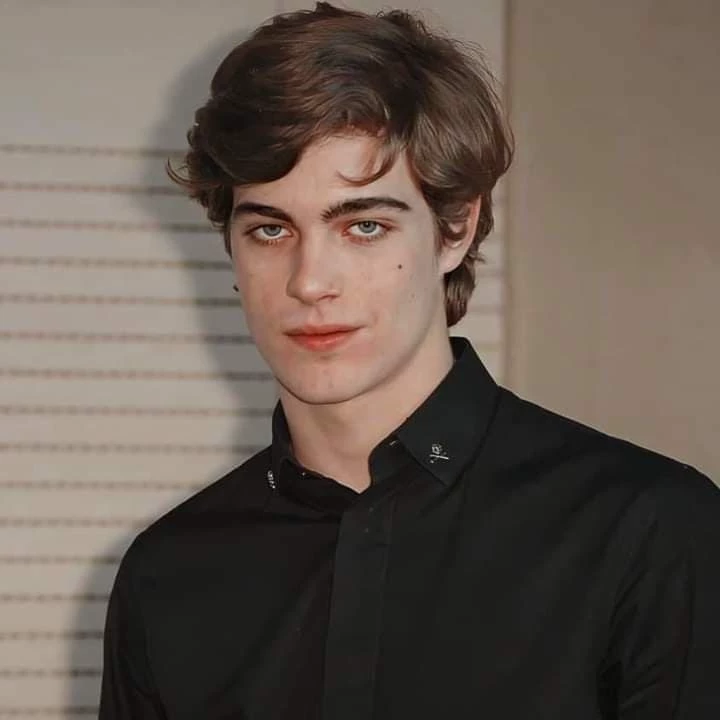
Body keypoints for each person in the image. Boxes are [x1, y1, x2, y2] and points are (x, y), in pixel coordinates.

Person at [99, 3, 720, 718]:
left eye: (363, 226)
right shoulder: (166, 574)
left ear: (455, 228)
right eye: (270, 229)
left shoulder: (649, 532)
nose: (309, 282)